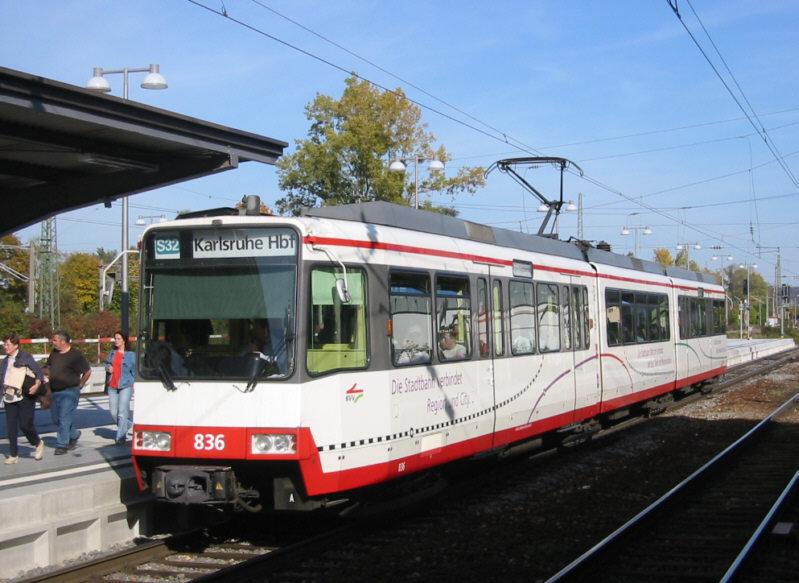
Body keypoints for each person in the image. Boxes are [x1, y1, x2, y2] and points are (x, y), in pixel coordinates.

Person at [1, 333, 46, 464]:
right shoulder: (5, 360)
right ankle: (13, 455)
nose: (5, 347)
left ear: (16, 345)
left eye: (8, 344)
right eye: (4, 344)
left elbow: (39, 374)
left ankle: (37, 442)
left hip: (25, 396)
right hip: (9, 396)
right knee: (11, 427)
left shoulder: (25, 357)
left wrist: (36, 385)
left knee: (25, 425)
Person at [47, 331, 91, 455]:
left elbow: (87, 371)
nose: (52, 342)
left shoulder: (75, 355)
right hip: (55, 391)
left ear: (63, 341)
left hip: (70, 391)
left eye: (55, 340)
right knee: (56, 419)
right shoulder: (54, 353)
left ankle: (62, 445)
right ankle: (74, 434)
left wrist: (80, 384)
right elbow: (48, 367)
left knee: (64, 417)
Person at [104, 331, 135, 445]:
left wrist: (135, 384)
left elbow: (135, 370)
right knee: (113, 412)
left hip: (126, 385)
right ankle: (127, 424)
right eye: (115, 338)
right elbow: (106, 364)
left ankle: (121, 436)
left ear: (124, 340)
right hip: (112, 385)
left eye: (118, 338)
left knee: (122, 411)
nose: (116, 341)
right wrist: (108, 367)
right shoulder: (112, 353)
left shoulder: (131, 355)